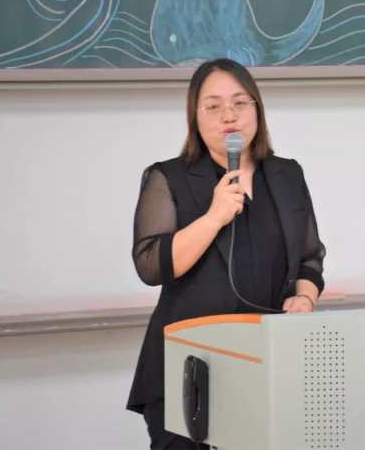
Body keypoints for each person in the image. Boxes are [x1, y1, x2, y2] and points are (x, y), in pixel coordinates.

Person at [126, 58, 326, 449]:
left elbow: (309, 258)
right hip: (187, 367)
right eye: (213, 106)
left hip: (263, 362)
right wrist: (214, 217)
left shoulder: (287, 174)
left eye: (239, 103)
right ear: (195, 117)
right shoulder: (168, 177)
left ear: (257, 110)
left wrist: (304, 298)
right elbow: (150, 265)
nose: (228, 116)